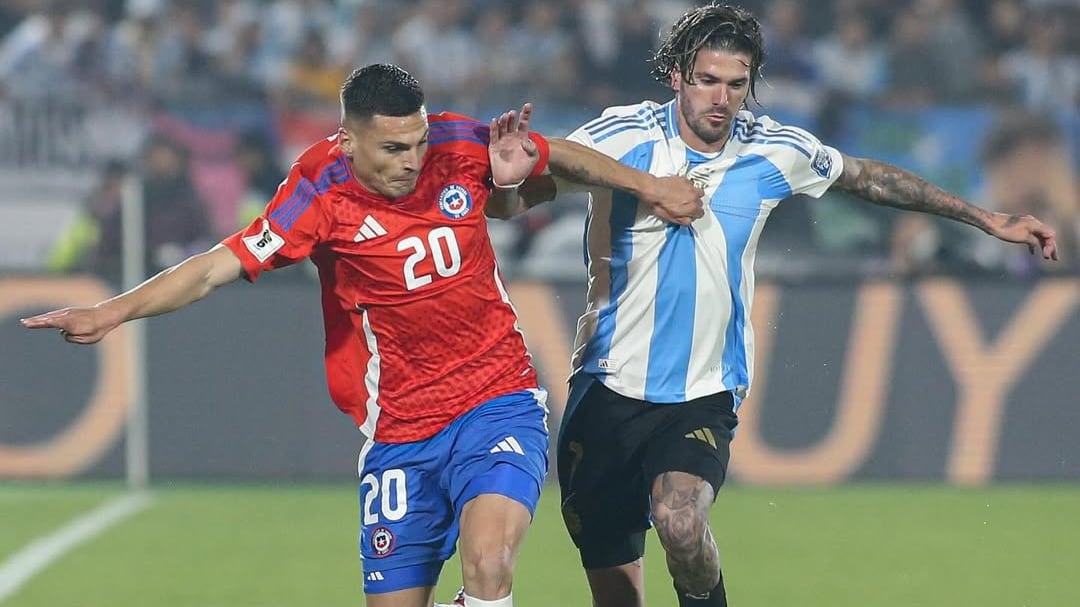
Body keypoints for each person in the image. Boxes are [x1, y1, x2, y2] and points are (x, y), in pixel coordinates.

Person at [20, 64, 704, 607]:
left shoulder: (459, 145)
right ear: (349, 141)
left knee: (491, 562)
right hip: (400, 431)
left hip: (497, 401)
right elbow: (214, 268)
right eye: (394, 147)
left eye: (418, 140)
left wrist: (641, 187)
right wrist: (113, 310)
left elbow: (556, 161)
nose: (413, 158)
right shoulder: (320, 189)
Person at [502, 4, 1060, 607]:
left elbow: (867, 178)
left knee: (682, 525)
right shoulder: (620, 138)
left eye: (736, 84)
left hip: (704, 389)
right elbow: (515, 199)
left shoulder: (772, 150)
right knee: (616, 593)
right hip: (605, 387)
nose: (721, 98)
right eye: (708, 80)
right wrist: (505, 181)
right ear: (678, 77)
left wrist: (984, 218)